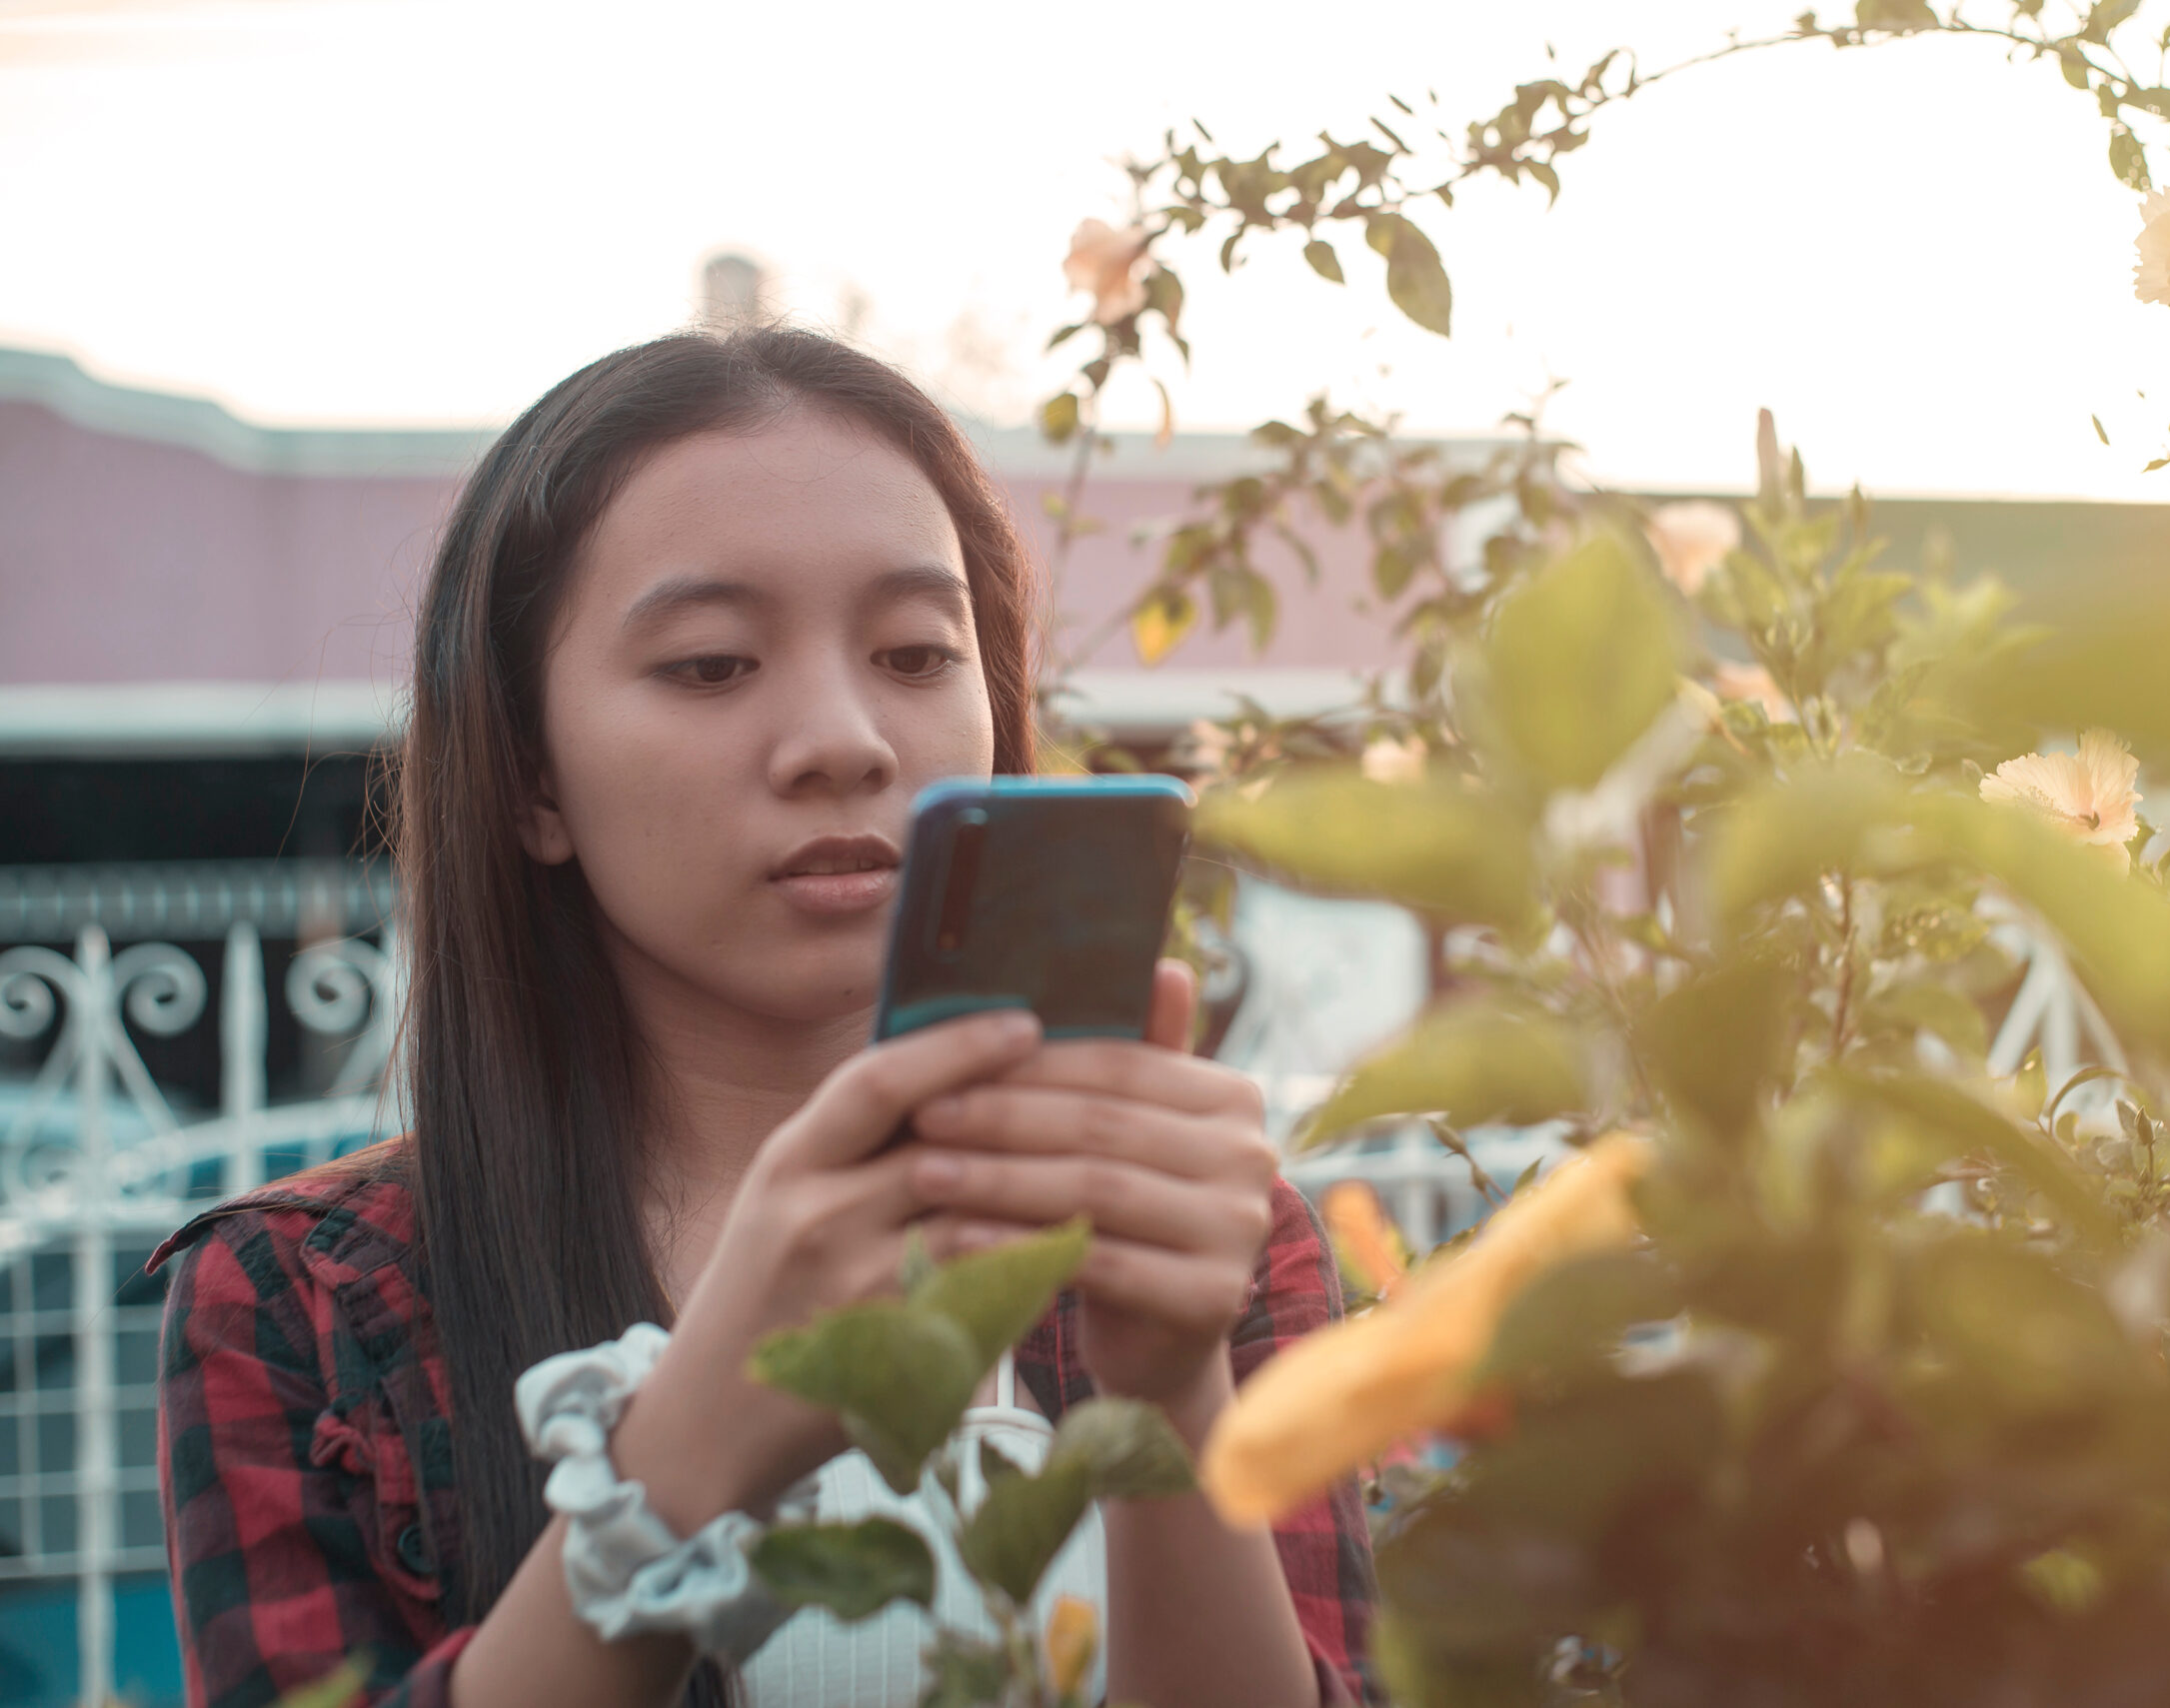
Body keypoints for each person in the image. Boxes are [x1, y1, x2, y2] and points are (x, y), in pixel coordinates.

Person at [150, 327, 1376, 1708]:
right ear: (529, 779)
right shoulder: (301, 1303)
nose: (845, 738)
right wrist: (676, 1463)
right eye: (712, 664)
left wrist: (1171, 1396)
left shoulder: (1200, 1231)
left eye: (916, 652)